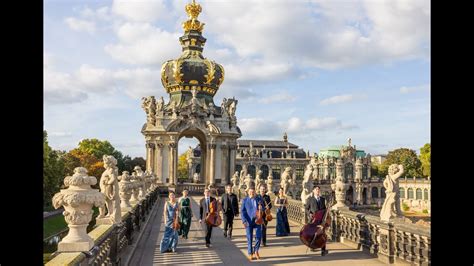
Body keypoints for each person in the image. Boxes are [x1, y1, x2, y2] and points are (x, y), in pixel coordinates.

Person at [241, 186, 265, 261]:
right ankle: (250, 253)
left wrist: (261, 208)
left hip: (258, 220)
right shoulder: (245, 200)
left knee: (258, 236)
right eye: (250, 192)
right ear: (248, 192)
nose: (252, 193)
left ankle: (256, 251)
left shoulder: (259, 199)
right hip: (248, 221)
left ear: (255, 192)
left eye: (253, 192)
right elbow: (242, 211)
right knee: (249, 238)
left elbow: (264, 208)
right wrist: (244, 221)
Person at [305, 186, 328, 256]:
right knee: (312, 234)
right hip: (313, 219)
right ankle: (312, 246)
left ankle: (323, 250)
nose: (318, 191)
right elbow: (306, 208)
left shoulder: (322, 199)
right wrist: (310, 214)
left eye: (318, 189)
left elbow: (324, 209)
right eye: (316, 189)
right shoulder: (310, 199)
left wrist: (326, 212)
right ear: (313, 191)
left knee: (322, 234)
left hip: (321, 220)